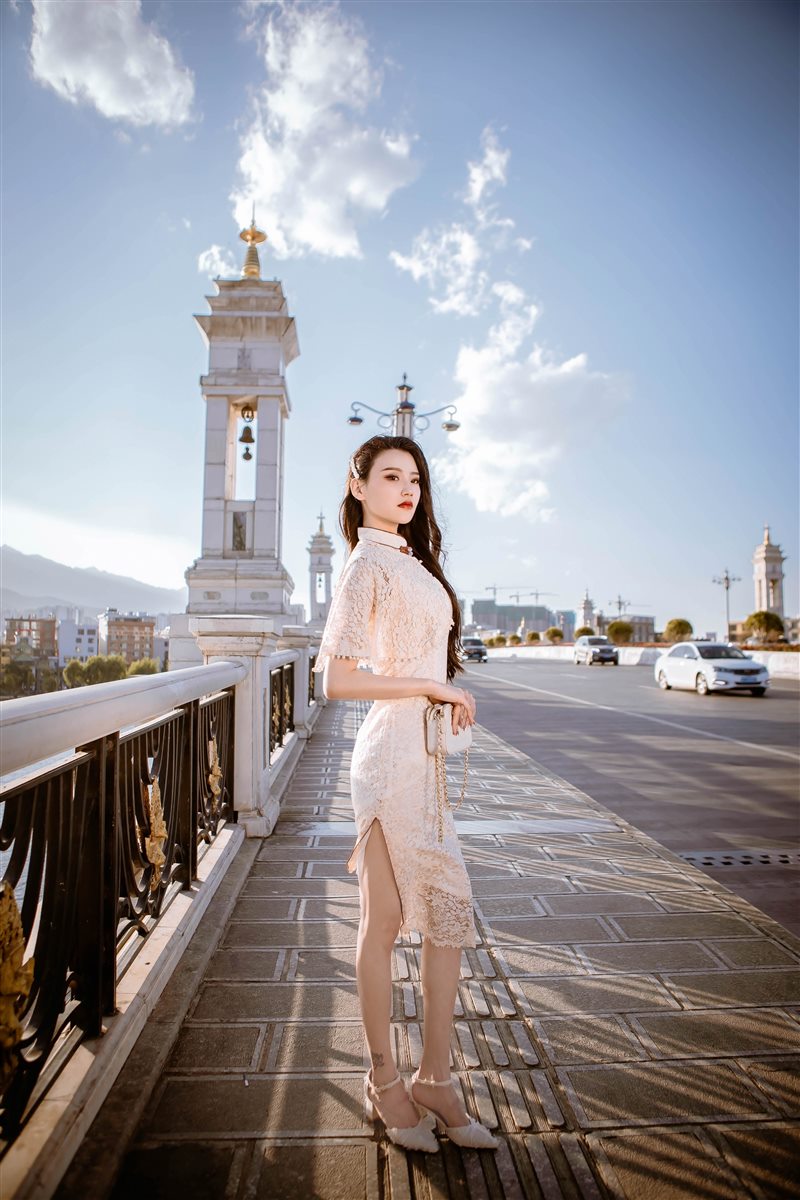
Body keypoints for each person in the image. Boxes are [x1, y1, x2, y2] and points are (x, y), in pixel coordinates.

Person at [312, 435, 499, 1153]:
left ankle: (436, 1081)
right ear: (357, 486)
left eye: (415, 478)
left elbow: (422, 659)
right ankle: (384, 1079)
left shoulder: (412, 562)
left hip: (426, 759)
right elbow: (337, 679)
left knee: (449, 914)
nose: (408, 488)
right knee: (385, 921)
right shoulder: (365, 565)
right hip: (388, 758)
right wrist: (429, 685)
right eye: (391, 476)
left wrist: (443, 696)